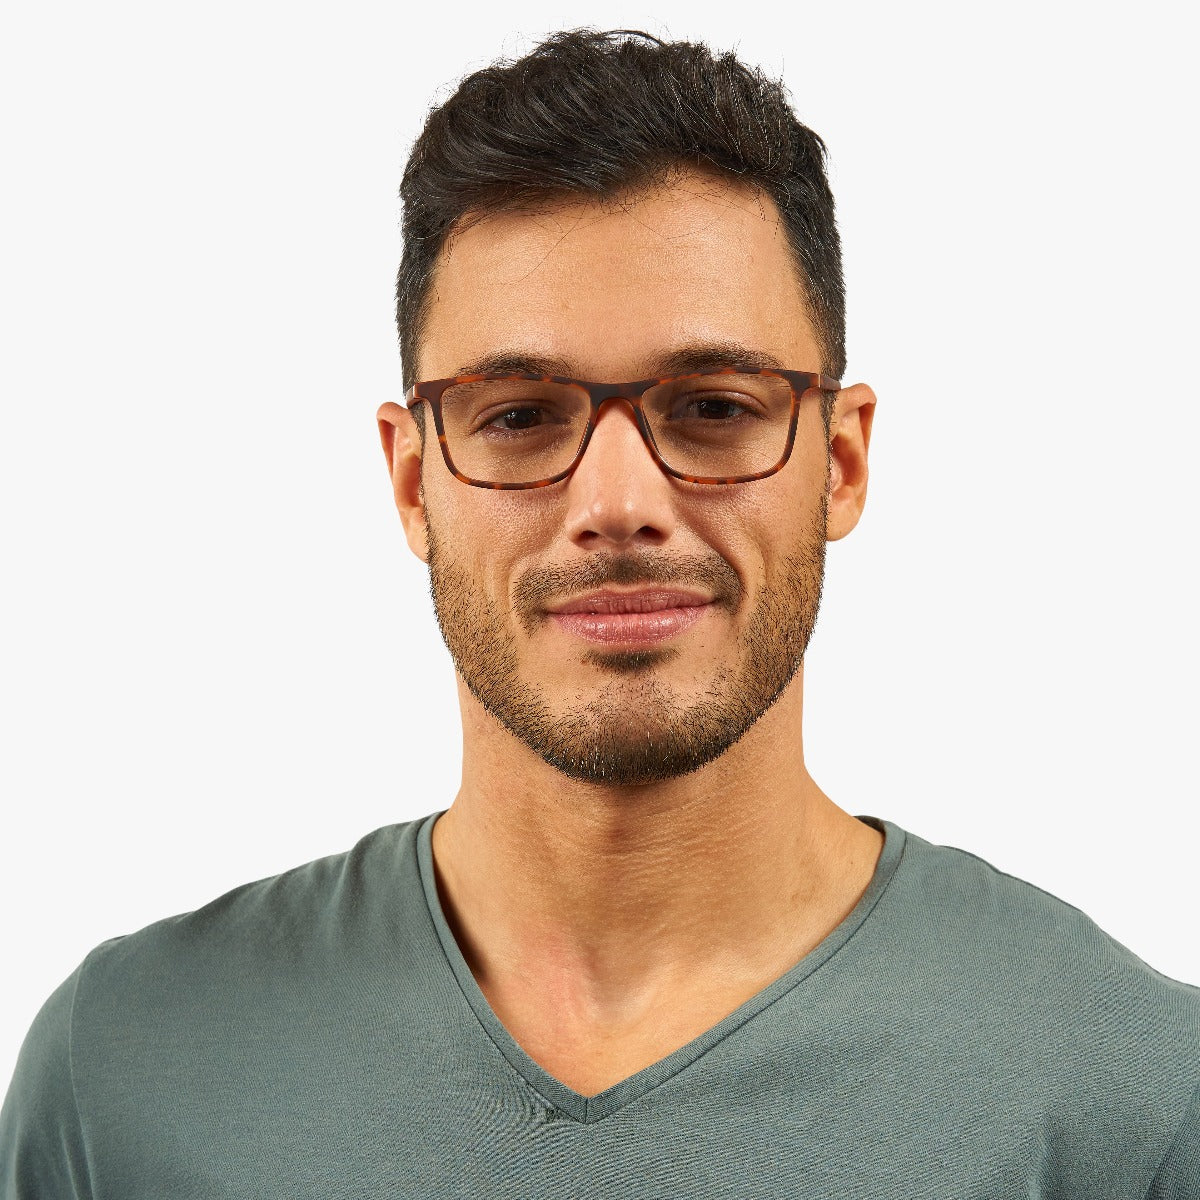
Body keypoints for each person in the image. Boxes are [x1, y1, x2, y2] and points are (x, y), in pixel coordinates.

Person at [2, 27, 1196, 1197]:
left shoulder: (1133, 1100)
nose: (618, 505)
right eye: (520, 417)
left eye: (714, 408)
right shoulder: (127, 1073)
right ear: (413, 482)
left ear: (840, 463)